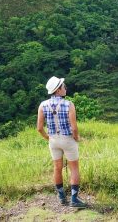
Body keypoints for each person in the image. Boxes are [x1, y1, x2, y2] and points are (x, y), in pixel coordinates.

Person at [37, 76, 87, 208]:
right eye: (63, 86)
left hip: (53, 141)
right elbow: (74, 127)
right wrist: (76, 138)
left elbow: (39, 128)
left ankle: (61, 197)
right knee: (74, 168)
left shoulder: (43, 105)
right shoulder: (69, 104)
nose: (65, 88)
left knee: (57, 168)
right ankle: (75, 199)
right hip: (68, 140)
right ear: (58, 90)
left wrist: (48, 138)